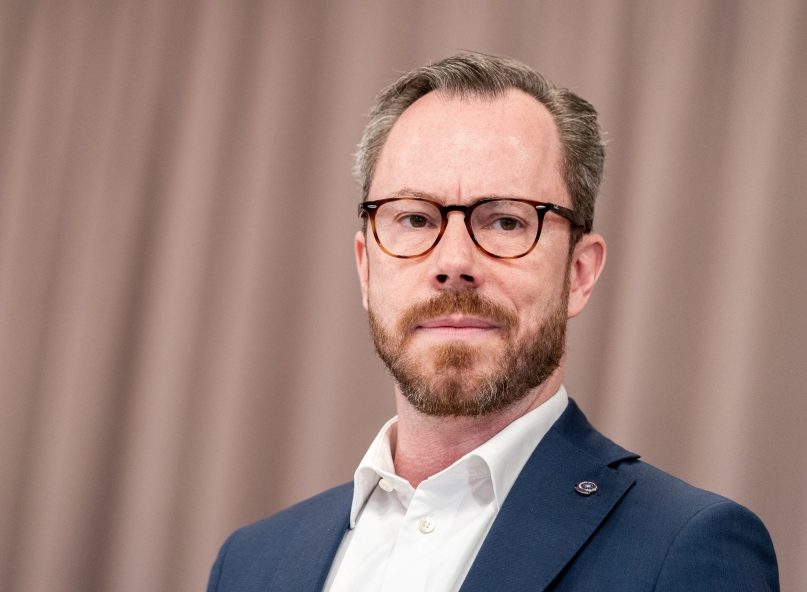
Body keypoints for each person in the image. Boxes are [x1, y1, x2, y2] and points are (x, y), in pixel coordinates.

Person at [206, 53, 779, 591]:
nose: (454, 262)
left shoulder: (687, 549)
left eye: (506, 221)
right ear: (366, 268)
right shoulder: (251, 564)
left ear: (579, 273)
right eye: (414, 218)